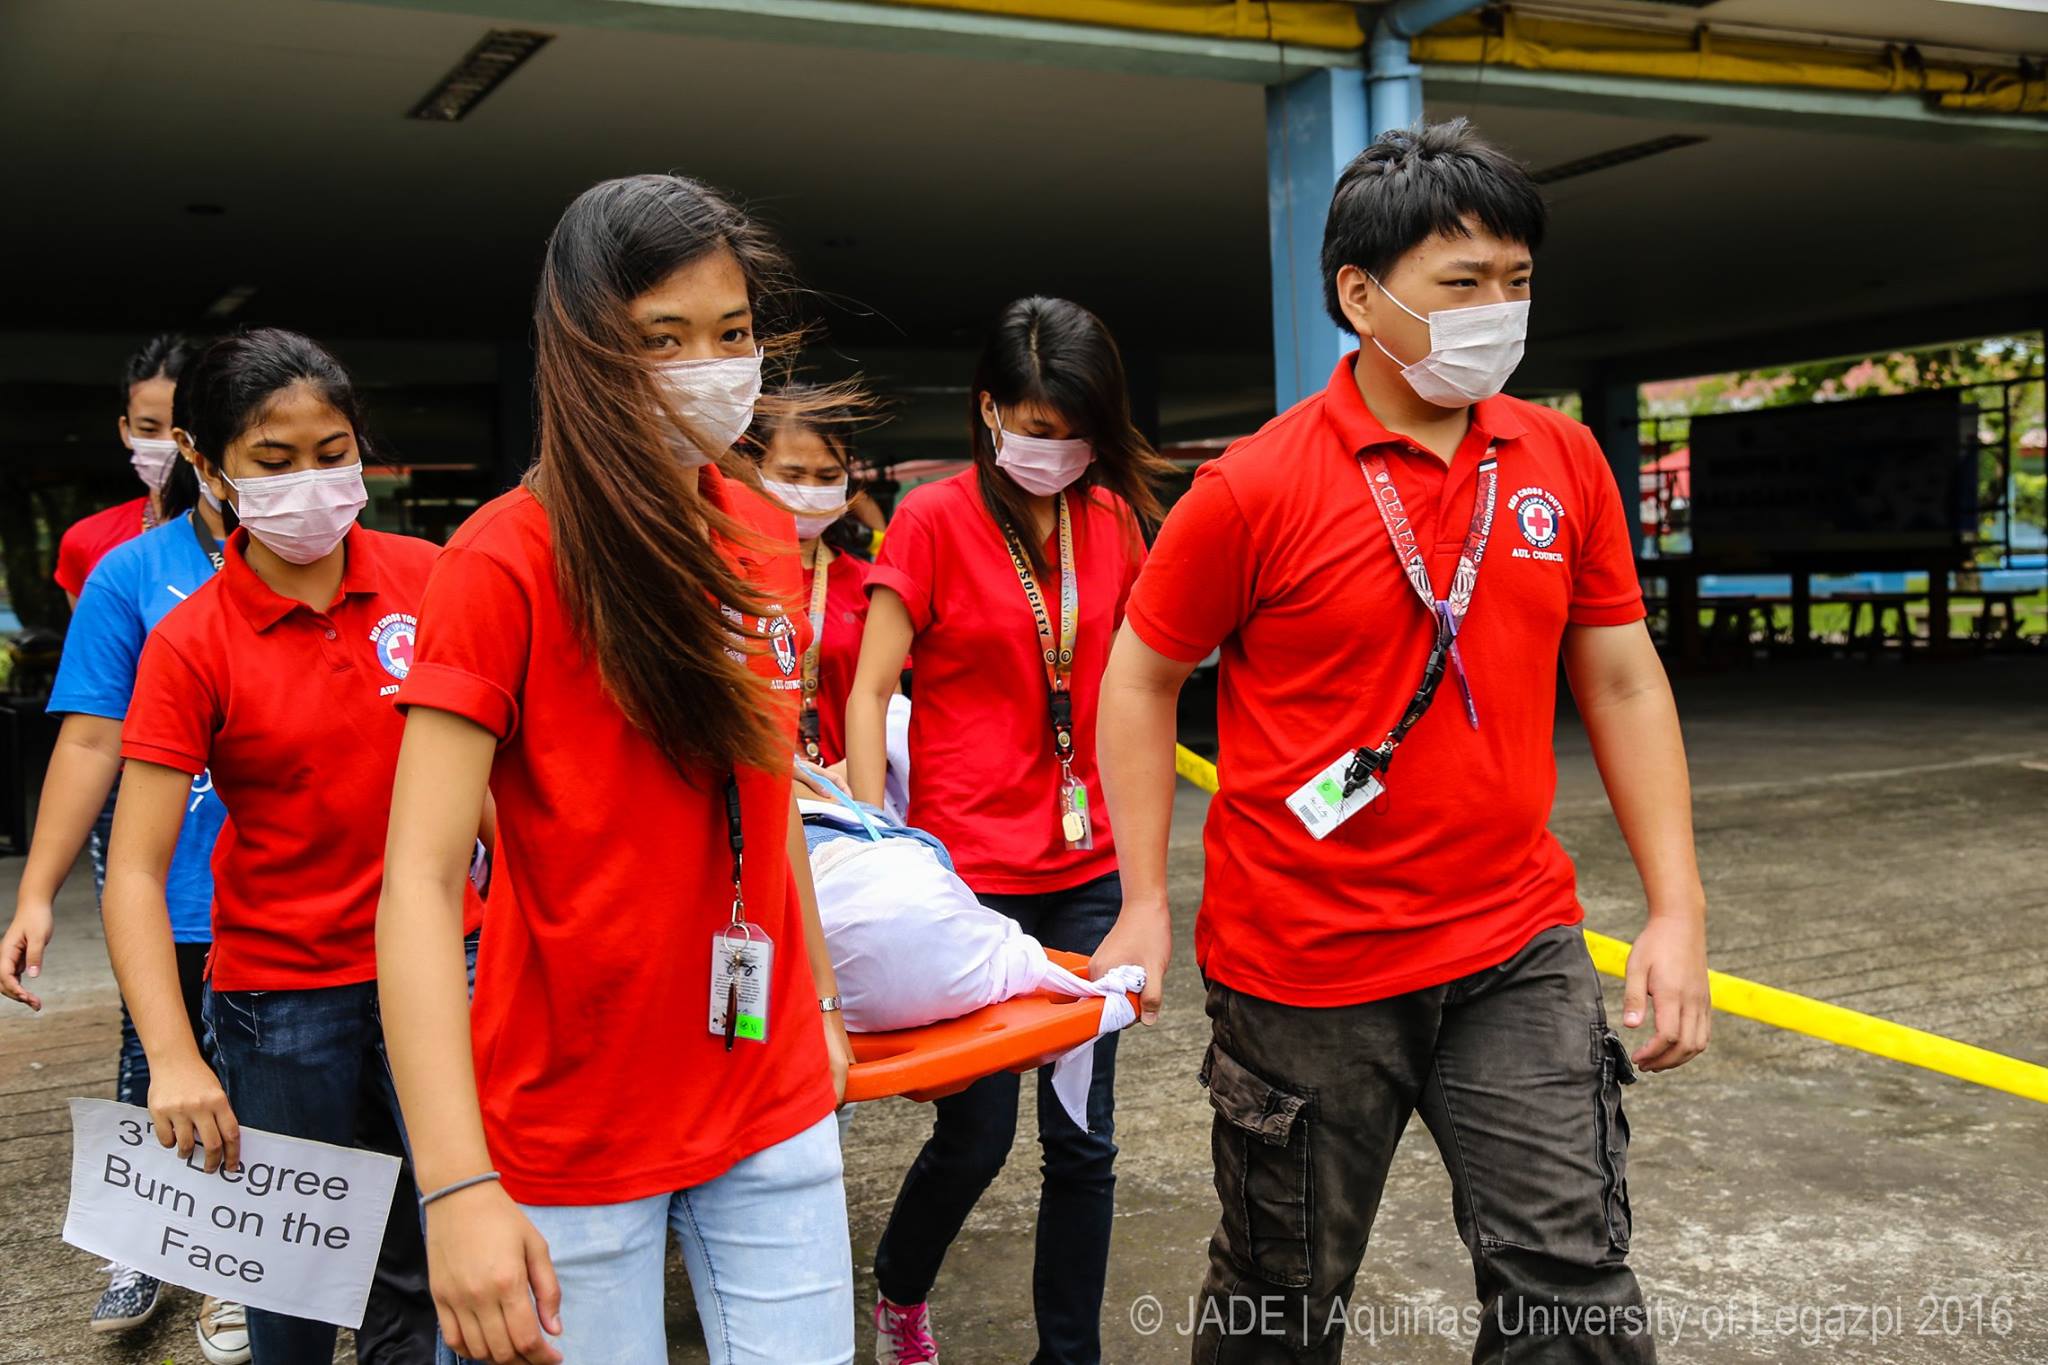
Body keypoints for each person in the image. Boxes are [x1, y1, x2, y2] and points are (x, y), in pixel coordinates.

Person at [1092, 119, 1711, 1364]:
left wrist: (1674, 907)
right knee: (1281, 1300)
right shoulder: (1251, 489)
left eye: (1516, 282)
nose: (1497, 310)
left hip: (1511, 945)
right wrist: (1144, 900)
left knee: (1571, 1286)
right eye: (1461, 284)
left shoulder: (1561, 459)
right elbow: (1139, 677)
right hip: (1307, 969)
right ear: (1358, 296)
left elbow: (1621, 679)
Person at [377, 173, 856, 1365]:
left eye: (732, 333)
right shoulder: (499, 563)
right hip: (569, 1128)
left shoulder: (754, 525)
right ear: (582, 352)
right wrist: (454, 1190)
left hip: (769, 1083)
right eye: (663, 339)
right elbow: (421, 884)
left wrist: (825, 1011)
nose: (710, 367)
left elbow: (773, 791)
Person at [100, 327, 483, 1365]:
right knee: (296, 1286)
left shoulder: (434, 580)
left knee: (453, 1246)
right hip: (282, 1004)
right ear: (206, 461)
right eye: (274, 463)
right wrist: (175, 1057)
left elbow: (500, 785)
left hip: (447, 967)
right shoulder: (192, 641)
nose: (311, 483)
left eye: (334, 452)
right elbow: (133, 870)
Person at [843, 295, 1170, 1365]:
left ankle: (1066, 1356)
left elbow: (1139, 679)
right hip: (969, 878)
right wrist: (858, 833)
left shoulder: (1111, 518)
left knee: (1084, 1144)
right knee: (975, 1133)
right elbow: (867, 685)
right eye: (1033, 430)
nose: (1055, 451)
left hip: (1088, 870)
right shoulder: (933, 518)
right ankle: (899, 1288)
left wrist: (1144, 879)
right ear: (988, 412)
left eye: (1073, 432)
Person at [0, 384, 248, 1361]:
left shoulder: (351, 574)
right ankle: (141, 1243)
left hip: (312, 898)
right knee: (160, 1066)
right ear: (202, 449)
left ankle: (245, 1270)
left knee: (281, 1091)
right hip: (174, 884)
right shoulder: (129, 572)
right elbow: (92, 737)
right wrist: (36, 892)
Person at [752, 386, 888, 778]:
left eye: (828, 475)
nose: (810, 490)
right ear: (755, 469)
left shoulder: (868, 585)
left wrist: (853, 772)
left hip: (851, 794)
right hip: (762, 790)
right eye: (792, 475)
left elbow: (890, 707)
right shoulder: (729, 576)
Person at [55, 334, 197, 608]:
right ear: (125, 430)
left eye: (184, 427)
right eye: (148, 429)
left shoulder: (257, 535)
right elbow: (92, 648)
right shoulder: (86, 541)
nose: (170, 442)